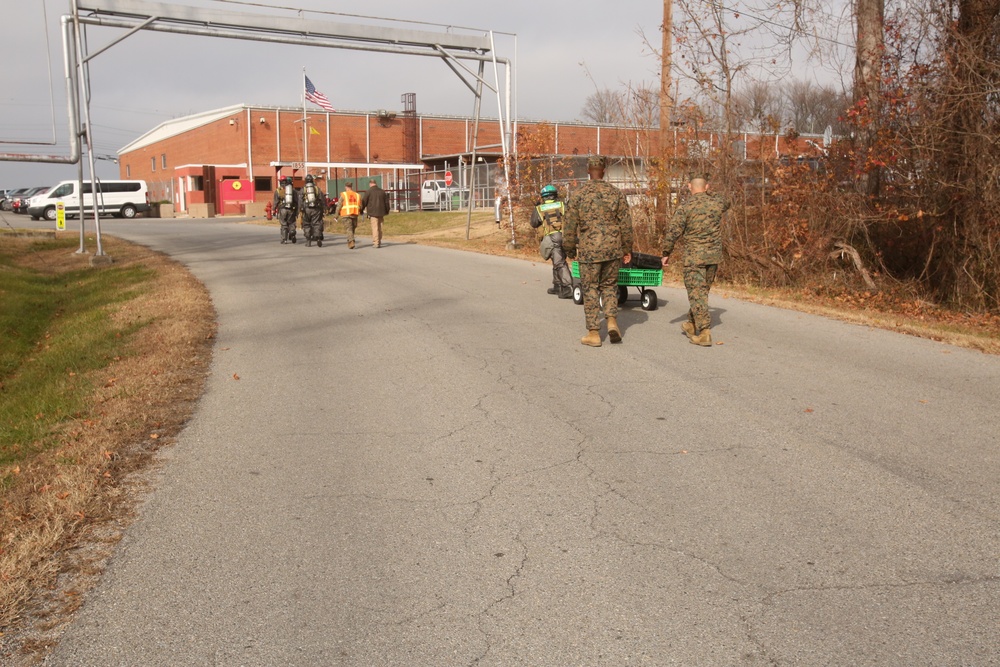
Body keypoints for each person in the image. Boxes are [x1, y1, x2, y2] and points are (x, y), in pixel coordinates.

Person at [563, 155, 634, 347]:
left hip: (589, 250)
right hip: (612, 249)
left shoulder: (578, 194)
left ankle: (594, 333)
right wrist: (627, 248)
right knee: (610, 287)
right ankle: (611, 321)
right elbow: (626, 224)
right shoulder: (616, 193)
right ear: (604, 171)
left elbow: (569, 226)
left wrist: (569, 249)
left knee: (591, 288)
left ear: (589, 171)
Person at [661, 174, 731, 347]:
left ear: (688, 186)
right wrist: (709, 193)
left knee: (696, 293)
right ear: (707, 187)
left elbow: (673, 232)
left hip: (694, 257)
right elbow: (727, 201)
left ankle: (705, 332)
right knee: (701, 292)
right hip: (713, 257)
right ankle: (691, 324)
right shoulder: (716, 203)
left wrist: (666, 252)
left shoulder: (686, 207)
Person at [529, 184, 573, 299]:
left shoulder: (539, 208)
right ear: (555, 195)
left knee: (559, 262)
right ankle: (557, 285)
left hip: (553, 236)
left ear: (543, 197)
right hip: (566, 235)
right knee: (557, 259)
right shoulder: (562, 205)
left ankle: (568, 287)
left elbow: (534, 223)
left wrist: (537, 209)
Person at [360, 179, 390, 248]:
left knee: (375, 228)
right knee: (379, 227)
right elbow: (386, 202)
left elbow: (364, 202)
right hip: (381, 212)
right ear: (375, 183)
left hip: (372, 212)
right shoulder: (382, 191)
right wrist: (387, 210)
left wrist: (361, 210)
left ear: (370, 184)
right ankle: (379, 240)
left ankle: (376, 242)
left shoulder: (368, 192)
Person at [300, 174, 326, 247]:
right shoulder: (317, 189)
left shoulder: (303, 189)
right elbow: (322, 199)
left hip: (306, 209)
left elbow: (300, 200)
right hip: (316, 209)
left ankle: (308, 241)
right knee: (317, 223)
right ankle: (318, 238)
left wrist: (300, 209)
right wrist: (324, 208)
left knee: (307, 224)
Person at [273, 176, 299, 244]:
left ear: (280, 182)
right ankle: (292, 232)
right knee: (292, 222)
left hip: (282, 209)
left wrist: (273, 209)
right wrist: (296, 211)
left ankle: (284, 239)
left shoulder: (278, 190)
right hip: (291, 209)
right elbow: (296, 201)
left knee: (284, 224)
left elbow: (275, 201)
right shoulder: (293, 190)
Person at [336, 181, 361, 249]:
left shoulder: (343, 195)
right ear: (351, 187)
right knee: (352, 228)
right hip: (354, 214)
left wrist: (336, 215)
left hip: (346, 214)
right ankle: (350, 242)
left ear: (346, 187)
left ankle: (351, 241)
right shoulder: (357, 195)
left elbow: (339, 205)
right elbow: (360, 205)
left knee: (349, 229)